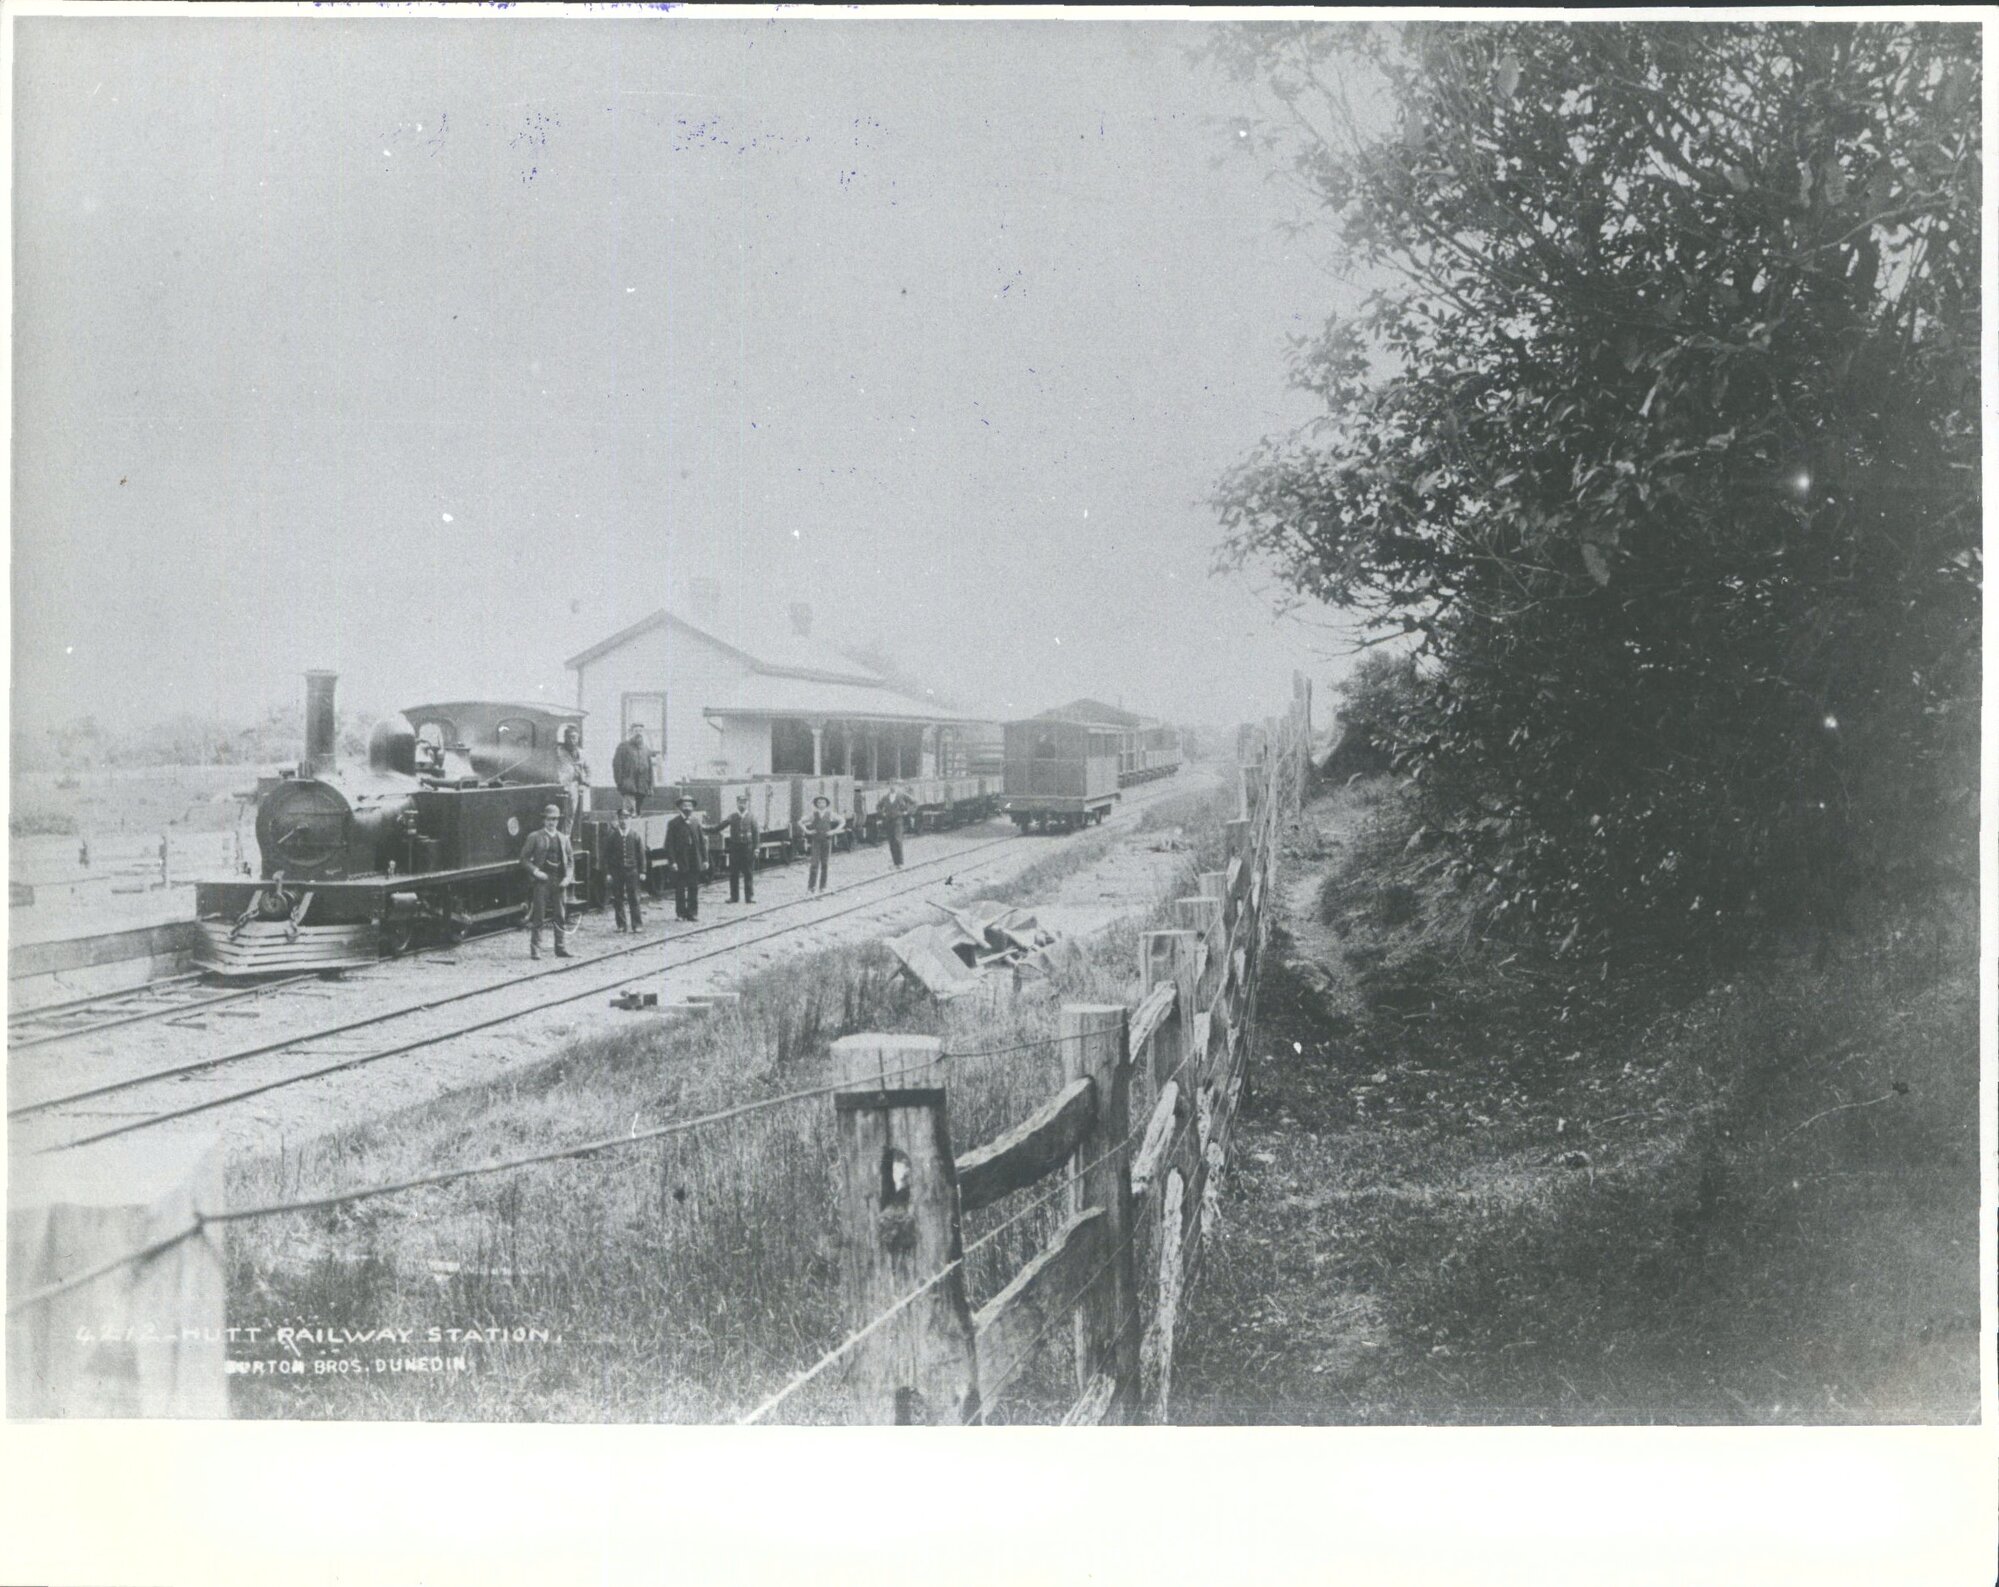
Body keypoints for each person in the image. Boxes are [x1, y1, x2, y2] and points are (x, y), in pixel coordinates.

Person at [519, 802, 573, 960]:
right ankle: (535, 950)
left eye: (555, 819)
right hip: (542, 881)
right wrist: (536, 872)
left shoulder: (563, 839)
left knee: (560, 916)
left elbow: (570, 861)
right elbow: (523, 859)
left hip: (559, 881)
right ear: (544, 820)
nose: (552, 822)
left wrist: (567, 878)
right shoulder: (535, 837)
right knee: (539, 917)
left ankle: (560, 948)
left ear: (558, 821)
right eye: (549, 819)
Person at [604, 799, 649, 932]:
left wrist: (643, 871)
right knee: (617, 899)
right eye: (621, 818)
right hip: (617, 872)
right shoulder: (612, 836)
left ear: (630, 820)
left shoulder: (635, 836)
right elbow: (606, 856)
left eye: (626, 818)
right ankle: (621, 925)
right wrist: (608, 873)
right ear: (618, 820)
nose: (623, 821)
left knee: (634, 898)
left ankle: (637, 925)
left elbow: (641, 855)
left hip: (632, 872)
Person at [664, 795, 707, 921]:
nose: (687, 808)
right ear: (680, 807)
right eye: (685, 805)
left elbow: (701, 843)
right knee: (680, 889)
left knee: (693, 888)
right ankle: (681, 913)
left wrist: (705, 860)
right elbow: (669, 844)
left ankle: (693, 913)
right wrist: (672, 861)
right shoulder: (674, 823)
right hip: (680, 861)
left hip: (694, 861)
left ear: (693, 808)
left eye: (690, 806)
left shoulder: (695, 822)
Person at [722, 791, 760, 904]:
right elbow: (721, 825)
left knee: (748, 873)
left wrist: (756, 848)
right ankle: (734, 897)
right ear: (737, 804)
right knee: (733, 874)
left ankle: (749, 897)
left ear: (747, 804)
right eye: (740, 803)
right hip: (735, 849)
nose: (742, 805)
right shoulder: (732, 817)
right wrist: (705, 829)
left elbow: (756, 834)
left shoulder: (752, 817)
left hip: (748, 849)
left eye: (744, 803)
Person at [804, 794, 843, 893]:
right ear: (816, 804)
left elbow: (842, 821)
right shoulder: (813, 814)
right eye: (819, 802)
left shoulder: (830, 814)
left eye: (823, 802)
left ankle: (823, 887)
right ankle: (811, 887)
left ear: (826, 804)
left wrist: (834, 831)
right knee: (814, 864)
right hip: (816, 841)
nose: (821, 804)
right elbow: (800, 822)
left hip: (826, 840)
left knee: (825, 864)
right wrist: (808, 831)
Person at [557, 723, 590, 837]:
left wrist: (585, 783)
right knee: (560, 814)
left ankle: (566, 838)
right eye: (570, 737)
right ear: (565, 738)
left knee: (571, 815)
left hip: (574, 787)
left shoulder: (582, 753)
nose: (572, 741)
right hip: (560, 787)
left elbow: (588, 770)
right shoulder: (559, 752)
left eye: (575, 738)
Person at [612, 725, 654, 810]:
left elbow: (650, 769)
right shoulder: (623, 747)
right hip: (628, 786)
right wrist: (620, 783)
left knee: (638, 814)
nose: (638, 733)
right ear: (631, 733)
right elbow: (617, 766)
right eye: (636, 731)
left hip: (642, 787)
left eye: (640, 731)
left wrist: (650, 786)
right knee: (630, 813)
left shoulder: (646, 749)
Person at [880, 784, 914, 868]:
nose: (892, 788)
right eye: (891, 786)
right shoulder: (886, 797)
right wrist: (882, 813)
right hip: (888, 821)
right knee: (891, 842)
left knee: (897, 840)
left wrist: (908, 812)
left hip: (898, 820)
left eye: (894, 786)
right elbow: (878, 806)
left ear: (897, 787)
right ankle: (896, 863)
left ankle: (900, 862)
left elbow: (914, 802)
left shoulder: (902, 795)